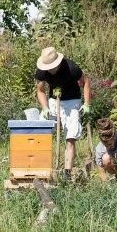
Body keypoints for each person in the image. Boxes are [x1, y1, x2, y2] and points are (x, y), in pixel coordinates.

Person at [34, 47, 91, 181]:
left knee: (70, 135)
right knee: (41, 129)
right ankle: (41, 168)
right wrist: (45, 108)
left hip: (72, 100)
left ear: (58, 63)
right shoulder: (42, 71)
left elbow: (86, 82)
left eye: (51, 66)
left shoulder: (71, 68)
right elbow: (40, 90)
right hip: (54, 100)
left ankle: (67, 172)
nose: (48, 69)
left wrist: (87, 104)